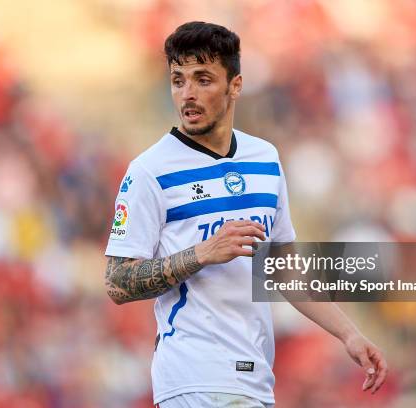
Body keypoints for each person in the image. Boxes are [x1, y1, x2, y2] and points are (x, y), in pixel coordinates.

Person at [104, 21, 387, 408]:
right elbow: (117, 282)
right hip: (193, 377)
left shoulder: (265, 159)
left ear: (235, 85)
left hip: (254, 379)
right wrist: (201, 253)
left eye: (203, 79)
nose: (187, 94)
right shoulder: (149, 170)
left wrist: (349, 334)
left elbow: (284, 269)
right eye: (178, 80)